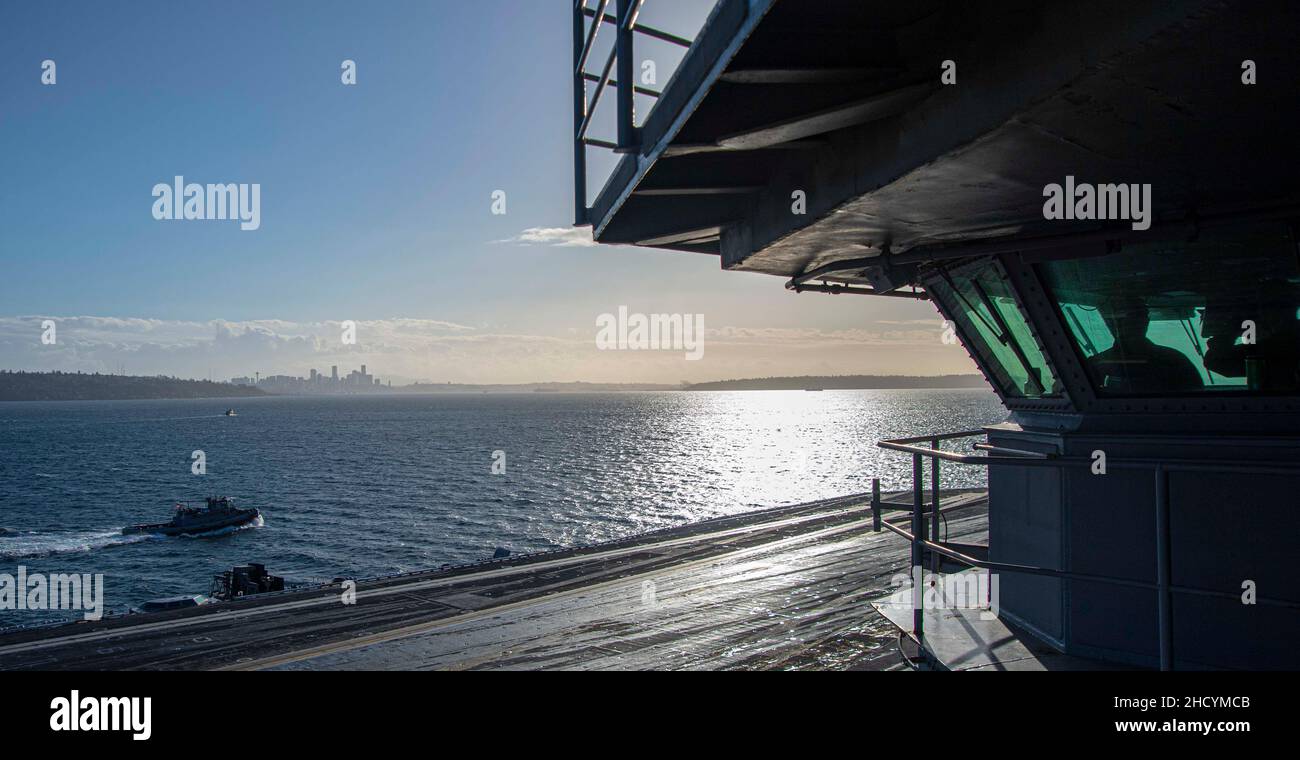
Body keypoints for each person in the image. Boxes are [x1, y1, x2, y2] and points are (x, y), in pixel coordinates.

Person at [1089, 295, 1204, 392]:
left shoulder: (1174, 361)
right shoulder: (1174, 359)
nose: (1124, 324)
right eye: (1122, 319)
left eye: (1137, 318)